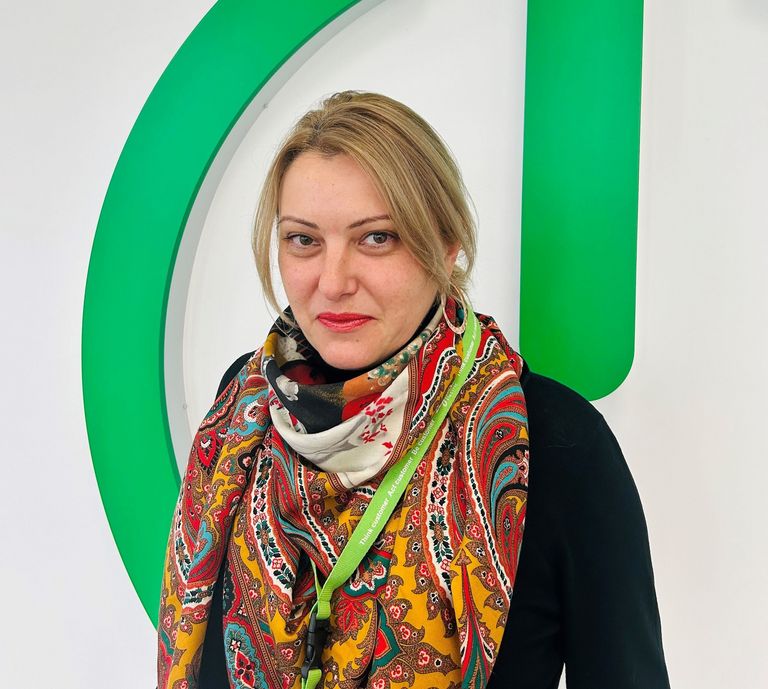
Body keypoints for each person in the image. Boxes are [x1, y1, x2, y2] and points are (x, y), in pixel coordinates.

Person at [158, 91, 670, 689]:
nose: (333, 281)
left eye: (377, 238)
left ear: (447, 247)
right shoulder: (243, 409)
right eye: (304, 240)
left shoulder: (556, 444)